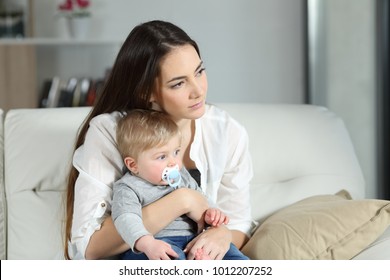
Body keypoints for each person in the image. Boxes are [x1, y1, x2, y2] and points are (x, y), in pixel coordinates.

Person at [64, 20, 255, 260]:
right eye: (178, 83)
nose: (198, 91)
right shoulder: (110, 132)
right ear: (146, 91)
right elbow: (89, 248)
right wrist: (183, 200)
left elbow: (239, 224)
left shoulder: (227, 132)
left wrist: (222, 235)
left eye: (199, 71)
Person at [112, 109, 249, 260]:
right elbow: (126, 219)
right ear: (133, 165)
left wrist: (212, 214)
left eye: (176, 152)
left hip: (194, 239)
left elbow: (201, 198)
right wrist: (146, 243)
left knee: (235, 257)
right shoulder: (128, 187)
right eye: (162, 156)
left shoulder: (182, 176)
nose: (174, 162)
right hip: (157, 242)